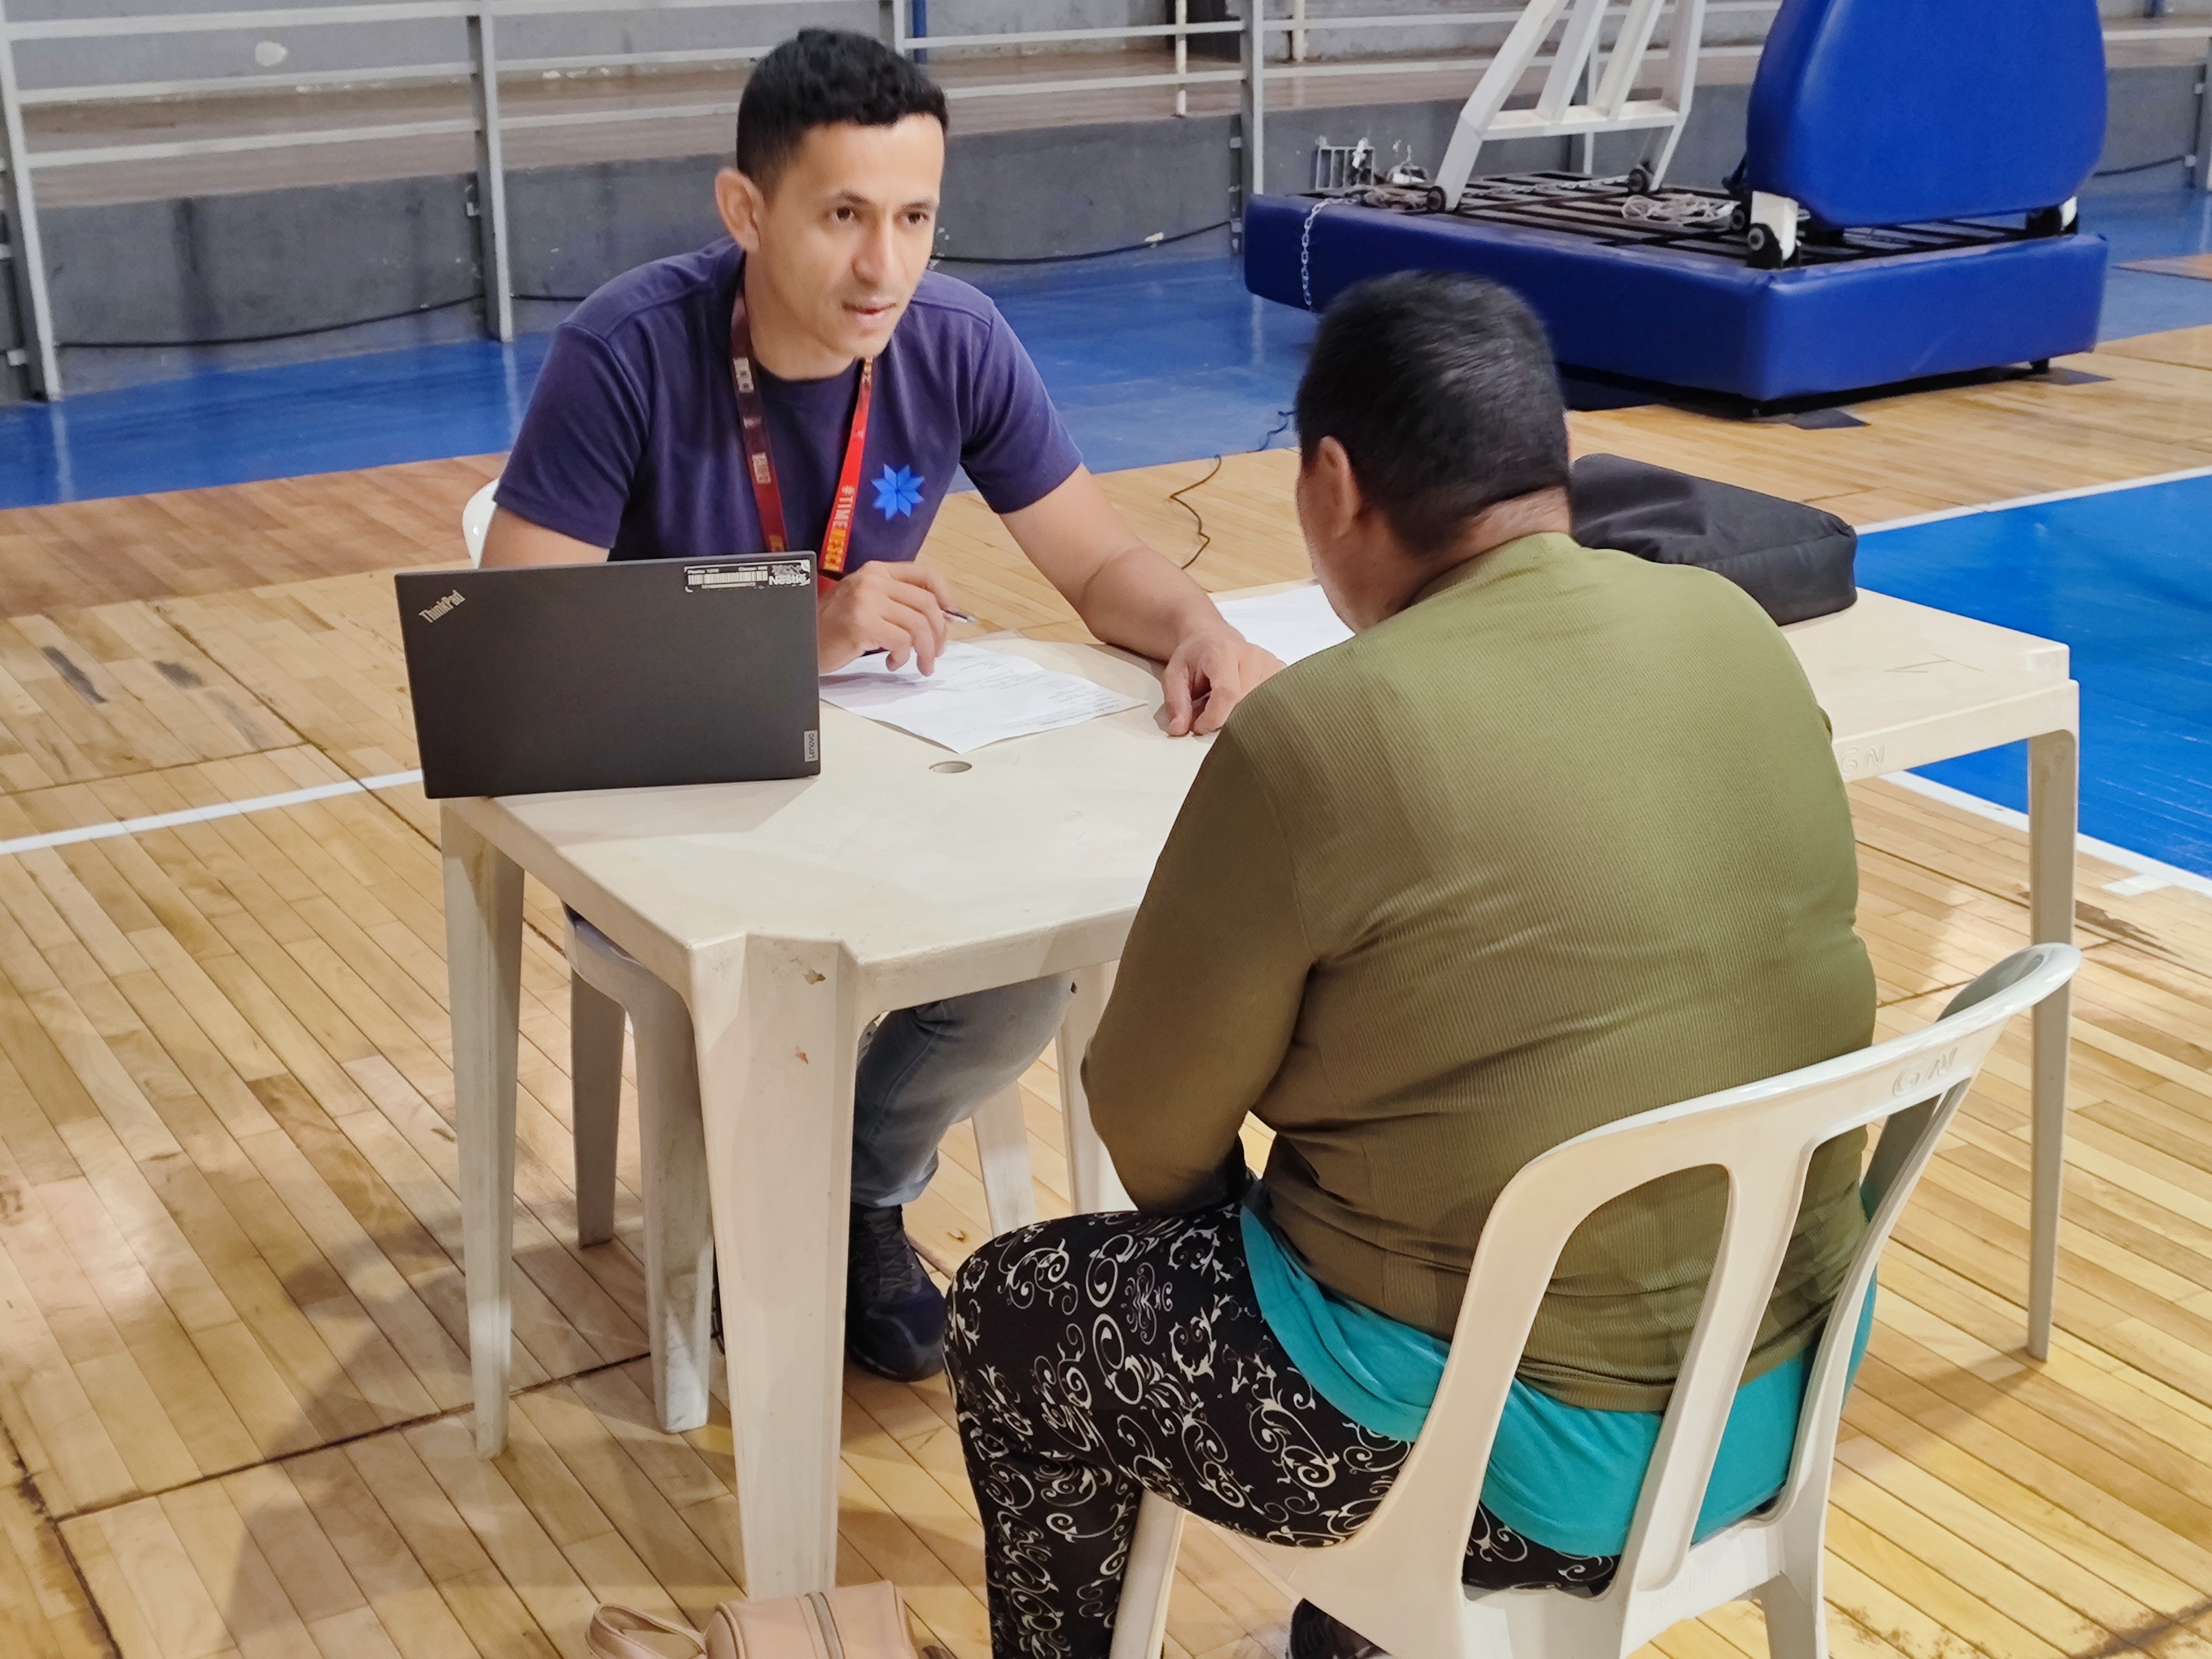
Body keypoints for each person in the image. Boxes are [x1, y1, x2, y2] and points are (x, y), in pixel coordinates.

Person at [943, 272, 1879, 1659]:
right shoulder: (1729, 625)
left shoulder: (1319, 731)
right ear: (1553, 462)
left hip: (1517, 1472)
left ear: (1330, 484)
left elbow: (1146, 1122)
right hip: (1780, 1386)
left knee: (1013, 1312)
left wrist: (1239, 1227)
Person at [483, 27, 1279, 1382]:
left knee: (1025, 954)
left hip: (886, 785)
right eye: (843, 216)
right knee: (791, 971)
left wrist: (1197, 624)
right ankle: (782, 1203)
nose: (883, 266)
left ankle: (840, 1190)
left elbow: (1096, 562)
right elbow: (517, 649)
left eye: (914, 218)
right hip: (665, 801)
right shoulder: (627, 348)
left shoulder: (954, 338)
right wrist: (797, 635)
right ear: (746, 210)